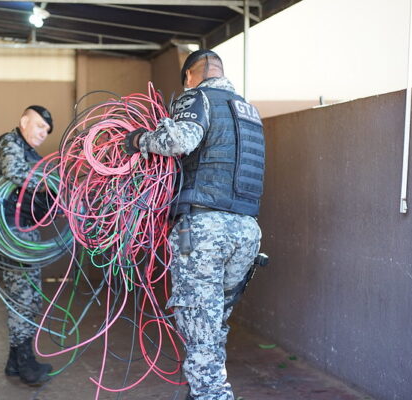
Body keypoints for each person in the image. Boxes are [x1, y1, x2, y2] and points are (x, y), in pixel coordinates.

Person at [124, 50, 264, 400]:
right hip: (246, 232)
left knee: (198, 324)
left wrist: (139, 140)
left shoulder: (198, 96)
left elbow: (178, 141)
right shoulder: (248, 112)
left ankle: (211, 394)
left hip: (202, 229)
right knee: (214, 322)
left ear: (190, 75)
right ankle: (200, 391)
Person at [0, 105, 54, 385]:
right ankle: (25, 363)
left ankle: (16, 361)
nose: (42, 133)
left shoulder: (33, 154)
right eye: (38, 126)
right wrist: (51, 184)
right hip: (8, 233)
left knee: (31, 297)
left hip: (24, 232)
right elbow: (16, 172)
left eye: (46, 131)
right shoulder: (9, 143)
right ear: (23, 121)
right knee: (23, 299)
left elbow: (40, 196)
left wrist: (56, 195)